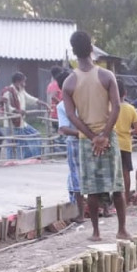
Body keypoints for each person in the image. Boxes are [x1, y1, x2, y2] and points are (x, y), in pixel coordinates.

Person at [61, 31, 129, 242]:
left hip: (86, 141)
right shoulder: (107, 76)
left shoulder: (69, 82)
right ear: (92, 49)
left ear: (74, 52)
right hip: (108, 137)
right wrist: (104, 135)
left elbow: (71, 115)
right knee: (117, 186)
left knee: (91, 189)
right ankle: (122, 229)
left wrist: (92, 137)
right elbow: (116, 107)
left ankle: (96, 232)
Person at [54, 76, 85, 222]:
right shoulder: (63, 106)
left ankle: (84, 213)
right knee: (80, 176)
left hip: (82, 141)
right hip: (79, 141)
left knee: (80, 176)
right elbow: (64, 128)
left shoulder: (81, 101)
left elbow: (64, 128)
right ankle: (87, 211)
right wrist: (83, 133)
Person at [2, 72, 49, 159]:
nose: (25, 84)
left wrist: (43, 103)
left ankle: (34, 157)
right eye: (23, 81)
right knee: (13, 145)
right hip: (12, 123)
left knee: (35, 134)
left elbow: (30, 98)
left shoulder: (21, 90)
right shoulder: (8, 92)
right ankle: (12, 162)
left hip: (21, 122)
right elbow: (7, 107)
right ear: (18, 81)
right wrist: (17, 111)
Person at [114, 78, 137, 203]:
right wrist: (128, 132)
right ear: (125, 93)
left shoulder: (110, 107)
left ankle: (115, 199)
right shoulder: (131, 109)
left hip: (112, 144)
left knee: (114, 173)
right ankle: (125, 199)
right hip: (125, 144)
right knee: (126, 173)